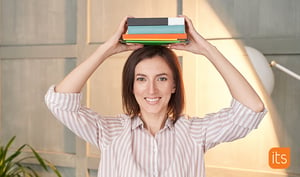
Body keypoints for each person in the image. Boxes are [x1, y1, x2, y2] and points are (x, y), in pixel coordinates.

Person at [45, 15, 267, 177]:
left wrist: (206, 49)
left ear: (173, 85)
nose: (151, 90)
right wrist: (107, 49)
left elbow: (251, 109)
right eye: (141, 79)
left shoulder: (195, 133)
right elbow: (60, 102)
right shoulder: (110, 132)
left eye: (161, 79)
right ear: (131, 86)